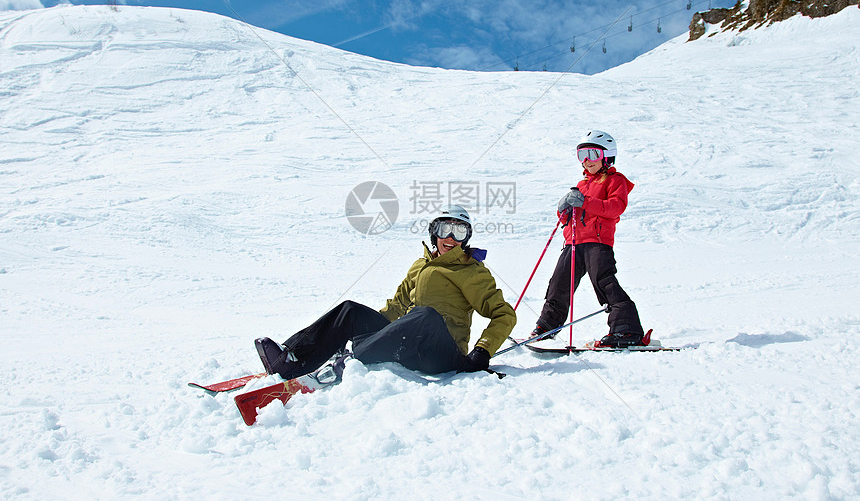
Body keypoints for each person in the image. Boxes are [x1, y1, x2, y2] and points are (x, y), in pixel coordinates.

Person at [255, 205, 516, 380]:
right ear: (433, 233)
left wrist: (482, 351)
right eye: (444, 229)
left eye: (459, 231)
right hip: (411, 345)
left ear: (466, 238)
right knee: (351, 311)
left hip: (440, 354)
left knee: (426, 316)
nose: (451, 237)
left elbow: (504, 315)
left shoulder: (471, 271)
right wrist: (367, 331)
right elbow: (396, 307)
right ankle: (292, 359)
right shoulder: (421, 266)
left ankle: (352, 358)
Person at [531, 130, 645, 347]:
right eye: (581, 154)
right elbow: (571, 217)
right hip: (573, 243)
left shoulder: (615, 180)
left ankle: (626, 329)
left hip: (598, 242)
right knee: (558, 283)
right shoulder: (581, 185)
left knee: (604, 282)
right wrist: (563, 210)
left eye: (592, 154)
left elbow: (615, 207)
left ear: (607, 155)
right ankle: (547, 326)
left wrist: (584, 202)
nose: (586, 160)